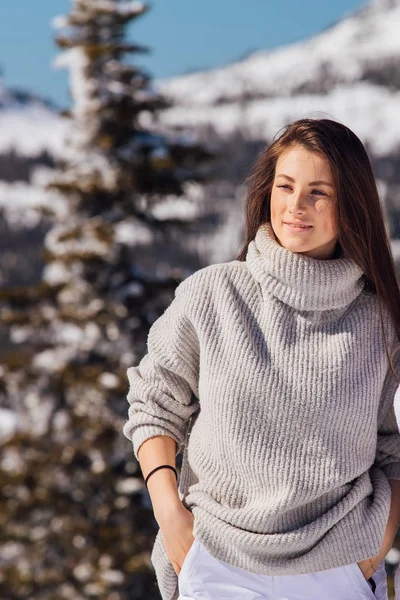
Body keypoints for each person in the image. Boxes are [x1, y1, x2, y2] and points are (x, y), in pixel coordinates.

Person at [123, 118, 400, 600]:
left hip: (338, 568)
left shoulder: (378, 321)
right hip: (218, 560)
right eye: (286, 186)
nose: (296, 206)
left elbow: (394, 449)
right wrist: (170, 515)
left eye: (319, 192)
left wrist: (375, 547)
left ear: (350, 204)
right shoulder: (213, 295)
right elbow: (153, 406)